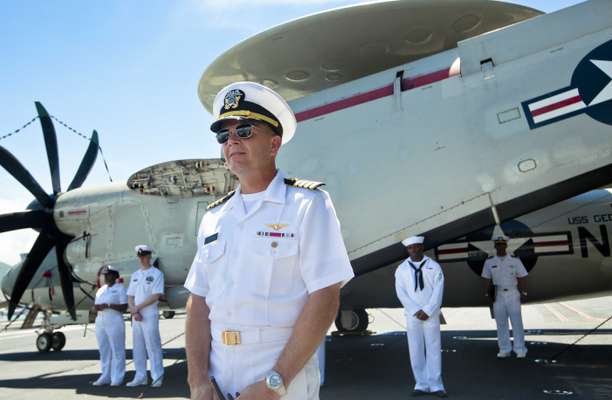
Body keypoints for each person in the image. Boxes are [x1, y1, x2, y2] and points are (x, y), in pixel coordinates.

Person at [184, 81, 354, 400]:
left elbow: (325, 296)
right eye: (224, 136)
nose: (232, 141)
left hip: (281, 380)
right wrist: (198, 381)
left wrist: (274, 384)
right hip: (218, 382)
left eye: (244, 131)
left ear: (274, 144)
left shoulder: (308, 205)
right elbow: (198, 301)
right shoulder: (213, 218)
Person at [395, 236, 446, 398]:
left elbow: (439, 290)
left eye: (417, 247)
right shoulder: (402, 269)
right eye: (411, 248)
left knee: (433, 348)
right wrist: (415, 310)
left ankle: (436, 384)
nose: (414, 250)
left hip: (430, 314)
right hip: (413, 315)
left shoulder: (434, 267)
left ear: (422, 247)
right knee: (415, 349)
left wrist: (428, 310)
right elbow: (401, 293)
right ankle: (421, 384)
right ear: (407, 250)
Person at [482, 235, 529, 358]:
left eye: (502, 245)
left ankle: (520, 349)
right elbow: (486, 278)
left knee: (517, 322)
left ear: (506, 246)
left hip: (513, 293)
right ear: (495, 246)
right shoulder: (490, 261)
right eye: (498, 245)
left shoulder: (515, 260)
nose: (500, 247)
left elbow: (522, 276)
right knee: (501, 323)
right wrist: (488, 294)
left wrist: (523, 292)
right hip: (498, 295)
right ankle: (504, 349)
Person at [126, 244, 165, 387]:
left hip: (149, 314)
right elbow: (130, 295)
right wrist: (134, 310)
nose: (143, 259)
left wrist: (137, 308)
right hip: (136, 315)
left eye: (145, 256)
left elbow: (156, 295)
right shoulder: (135, 275)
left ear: (150, 257)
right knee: (138, 347)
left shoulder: (156, 274)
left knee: (153, 345)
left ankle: (157, 376)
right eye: (140, 256)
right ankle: (140, 376)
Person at [92, 265, 128, 386]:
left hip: (114, 320)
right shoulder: (101, 290)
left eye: (108, 274)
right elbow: (96, 305)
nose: (106, 277)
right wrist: (97, 307)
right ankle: (105, 375)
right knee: (104, 349)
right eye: (105, 275)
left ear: (115, 276)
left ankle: (117, 376)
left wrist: (108, 305)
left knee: (117, 349)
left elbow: (124, 307)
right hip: (100, 320)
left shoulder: (120, 288)